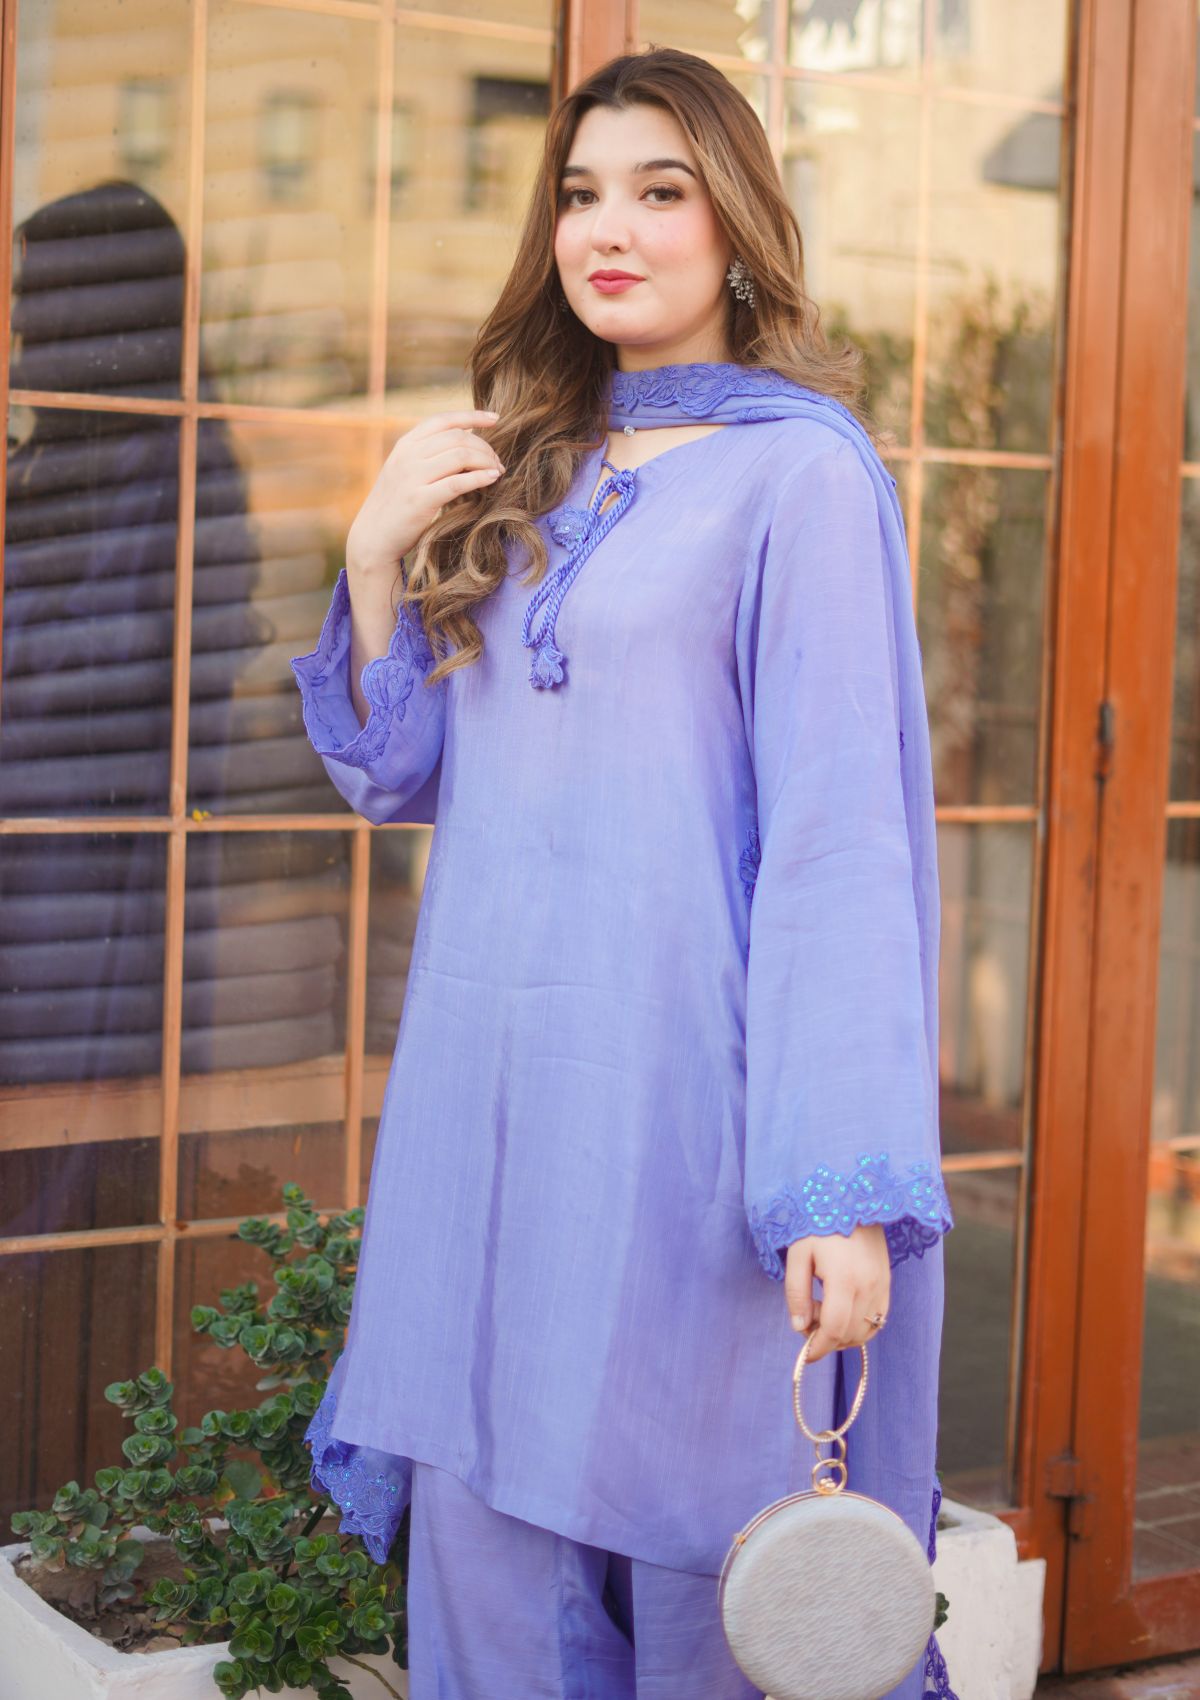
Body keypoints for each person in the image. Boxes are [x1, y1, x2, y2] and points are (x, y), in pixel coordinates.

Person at [291, 45, 960, 1700]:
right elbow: (397, 769)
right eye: (582, 193)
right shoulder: (528, 464)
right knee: (486, 1549)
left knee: (705, 1557)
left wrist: (836, 1186)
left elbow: (837, 846)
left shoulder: (803, 475)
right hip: (495, 1117)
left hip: (688, 1126)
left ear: (735, 225)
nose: (612, 228)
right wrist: (374, 555)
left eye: (661, 192)